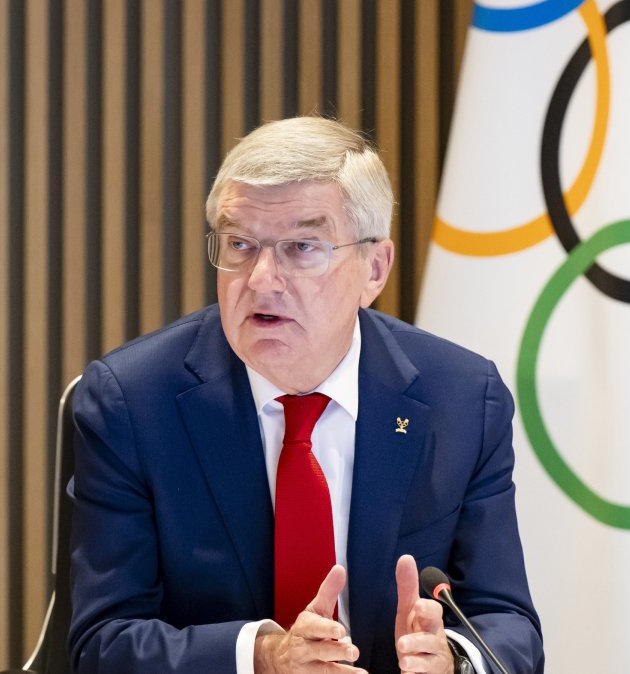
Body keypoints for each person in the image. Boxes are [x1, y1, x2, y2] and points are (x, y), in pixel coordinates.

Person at [67, 116, 543, 673]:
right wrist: (263, 657)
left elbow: (508, 624)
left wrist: (454, 662)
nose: (262, 278)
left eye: (302, 247)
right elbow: (101, 644)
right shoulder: (133, 403)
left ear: (374, 268)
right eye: (240, 244)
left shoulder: (461, 399)